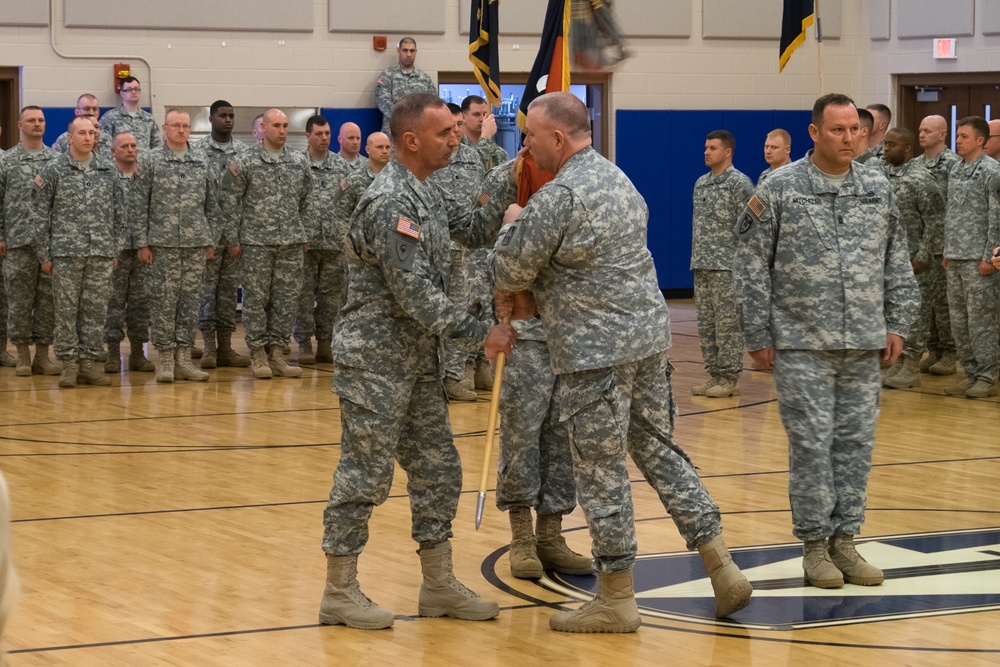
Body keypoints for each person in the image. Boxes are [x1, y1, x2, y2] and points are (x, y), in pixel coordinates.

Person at [494, 91, 752, 632]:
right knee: (662, 453)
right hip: (648, 342)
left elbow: (511, 270)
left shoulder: (560, 196)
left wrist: (511, 221)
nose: (527, 145)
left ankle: (615, 596)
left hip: (594, 353)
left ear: (558, 138)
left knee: (601, 470)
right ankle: (722, 567)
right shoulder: (619, 179)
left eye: (532, 136)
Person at [319, 93, 519, 630]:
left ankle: (437, 586)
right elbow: (419, 300)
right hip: (376, 363)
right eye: (444, 133)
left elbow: (475, 230)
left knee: (438, 471)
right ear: (411, 141)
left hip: (416, 362)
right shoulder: (392, 202)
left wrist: (516, 170)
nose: (455, 139)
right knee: (364, 476)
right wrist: (485, 334)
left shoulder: (425, 192)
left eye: (457, 131)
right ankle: (339, 591)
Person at [734, 93, 919, 589]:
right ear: (815, 133)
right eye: (838, 130)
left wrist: (898, 322)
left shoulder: (877, 187)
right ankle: (815, 546)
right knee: (813, 446)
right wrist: (757, 333)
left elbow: (895, 260)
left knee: (856, 445)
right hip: (800, 343)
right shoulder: (779, 187)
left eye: (856, 129)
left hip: (863, 341)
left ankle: (846, 542)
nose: (849, 138)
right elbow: (751, 264)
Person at [35, 116, 127, 388]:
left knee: (95, 311)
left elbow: (120, 214)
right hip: (65, 253)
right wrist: (45, 254)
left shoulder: (108, 170)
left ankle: (88, 364)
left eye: (92, 133)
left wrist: (115, 249)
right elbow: (40, 215)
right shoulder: (54, 169)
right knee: (65, 310)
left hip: (100, 252)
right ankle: (69, 365)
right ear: (70, 137)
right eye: (82, 133)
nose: (88, 137)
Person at [132, 109, 219, 383]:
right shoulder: (149, 160)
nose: (181, 130)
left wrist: (210, 239)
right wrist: (142, 242)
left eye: (185, 126)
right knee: (163, 302)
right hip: (162, 245)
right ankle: (166, 359)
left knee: (190, 302)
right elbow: (137, 205)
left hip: (195, 245)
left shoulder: (202, 161)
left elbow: (214, 206)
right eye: (176, 125)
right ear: (164, 128)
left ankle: (184, 358)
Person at [223, 108, 310, 379]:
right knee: (257, 299)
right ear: (262, 129)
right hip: (256, 242)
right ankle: (258, 352)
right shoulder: (245, 161)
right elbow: (230, 201)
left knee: (285, 300)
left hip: (291, 243)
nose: (282, 130)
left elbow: (307, 201)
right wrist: (233, 239)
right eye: (276, 126)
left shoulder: (298, 161)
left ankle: (278, 352)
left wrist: (303, 233)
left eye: (285, 125)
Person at [429, 103, 488, 401]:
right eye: (450, 126)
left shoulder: (472, 157)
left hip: (471, 246)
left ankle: (465, 367)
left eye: (459, 126)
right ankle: (450, 374)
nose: (456, 132)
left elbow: (480, 195)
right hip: (441, 247)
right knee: (449, 310)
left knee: (474, 307)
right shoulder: (432, 157)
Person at [880, 128, 946, 389]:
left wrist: (923, 256)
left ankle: (912, 364)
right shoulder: (883, 176)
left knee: (915, 314)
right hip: (891, 260)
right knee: (894, 311)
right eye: (885, 144)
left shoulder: (922, 179)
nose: (886, 149)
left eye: (892, 145)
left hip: (916, 262)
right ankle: (898, 361)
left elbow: (936, 222)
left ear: (908, 149)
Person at [690, 129, 754, 398]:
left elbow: (752, 226)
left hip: (728, 267)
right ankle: (714, 374)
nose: (706, 152)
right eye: (705, 147)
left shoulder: (740, 184)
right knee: (707, 325)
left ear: (727, 152)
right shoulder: (701, 183)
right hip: (703, 264)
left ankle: (728, 378)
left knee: (727, 326)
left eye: (713, 148)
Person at [941, 116, 1000, 398]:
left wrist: (990, 255)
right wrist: (947, 250)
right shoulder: (955, 169)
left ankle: (988, 375)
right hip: (956, 256)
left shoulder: (992, 171)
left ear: (981, 141)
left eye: (964, 136)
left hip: (980, 260)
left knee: (981, 321)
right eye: (957, 136)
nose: (958, 141)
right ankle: (971, 372)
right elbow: (953, 213)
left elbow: (996, 217)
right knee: (959, 320)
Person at [0, 106, 60, 376]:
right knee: (20, 302)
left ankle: (43, 356)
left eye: (41, 120)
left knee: (48, 303)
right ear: (20, 125)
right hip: (18, 242)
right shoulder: (6, 161)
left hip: (50, 245)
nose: (37, 124)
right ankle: (23, 355)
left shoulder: (57, 160)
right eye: (31, 120)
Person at [194, 100, 251, 370]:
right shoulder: (198, 152)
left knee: (229, 293)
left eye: (231, 116)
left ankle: (226, 347)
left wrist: (239, 235)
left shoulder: (243, 153)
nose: (228, 120)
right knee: (207, 293)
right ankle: (208, 348)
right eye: (223, 116)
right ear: (211, 118)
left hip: (235, 235)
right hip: (208, 234)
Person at [294, 115, 350, 365]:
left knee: (331, 297)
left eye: (327, 133)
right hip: (305, 242)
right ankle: (304, 342)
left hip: (334, 242)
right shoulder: (297, 164)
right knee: (303, 296)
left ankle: (325, 342)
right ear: (308, 136)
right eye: (319, 134)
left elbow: (351, 203)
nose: (324, 138)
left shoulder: (342, 167)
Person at [103, 132, 154, 374]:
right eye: (124, 146)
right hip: (116, 250)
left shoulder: (146, 176)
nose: (130, 150)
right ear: (113, 151)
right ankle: (113, 353)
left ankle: (137, 353)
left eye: (134, 145)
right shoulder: (106, 176)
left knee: (140, 303)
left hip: (143, 250)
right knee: (113, 303)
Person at [916, 114, 961, 375]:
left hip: (944, 245)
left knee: (944, 304)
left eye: (928, 131)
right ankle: (932, 349)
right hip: (921, 243)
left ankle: (949, 352)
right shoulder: (915, 165)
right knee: (926, 303)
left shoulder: (952, 164)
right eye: (920, 130)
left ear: (943, 134)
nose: (922, 134)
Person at [374, 37, 436, 136]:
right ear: (398, 51)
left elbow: (433, 104)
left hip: (419, 133)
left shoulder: (425, 78)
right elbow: (382, 101)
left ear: (416, 52)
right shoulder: (388, 75)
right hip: (394, 134)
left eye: (412, 51)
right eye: (405, 50)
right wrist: (405, 118)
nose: (408, 54)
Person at [99, 76, 160, 150]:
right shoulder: (109, 117)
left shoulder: (149, 118)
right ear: (122, 93)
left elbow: (157, 146)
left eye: (136, 89)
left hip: (144, 161)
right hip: (119, 161)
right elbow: (103, 146)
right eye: (129, 90)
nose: (134, 92)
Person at [461, 95, 510, 170]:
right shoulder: (456, 148)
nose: (482, 119)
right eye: (476, 114)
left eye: (484, 114)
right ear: (463, 117)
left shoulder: (498, 153)